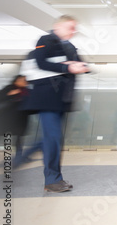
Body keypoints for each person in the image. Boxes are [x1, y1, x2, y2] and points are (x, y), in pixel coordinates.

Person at [21, 15, 90, 193]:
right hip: (47, 98)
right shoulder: (45, 40)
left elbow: (81, 64)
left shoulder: (70, 47)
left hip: (62, 100)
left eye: (74, 28)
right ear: (58, 27)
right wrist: (67, 67)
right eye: (70, 27)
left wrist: (84, 67)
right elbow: (40, 62)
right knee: (52, 138)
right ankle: (52, 180)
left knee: (54, 139)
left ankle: (33, 164)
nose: (73, 31)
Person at [0, 75, 30, 162]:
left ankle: (19, 157)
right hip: (6, 118)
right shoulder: (9, 88)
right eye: (21, 80)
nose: (23, 82)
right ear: (16, 81)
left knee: (19, 139)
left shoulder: (27, 91)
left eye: (24, 80)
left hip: (20, 119)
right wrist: (10, 94)